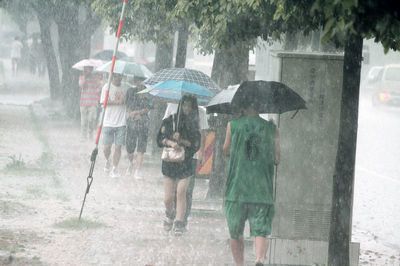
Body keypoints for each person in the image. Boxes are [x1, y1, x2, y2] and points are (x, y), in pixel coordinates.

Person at [222, 104, 280, 266]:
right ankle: (259, 259)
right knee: (261, 229)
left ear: (244, 106)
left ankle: (239, 264)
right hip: (261, 189)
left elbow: (225, 150)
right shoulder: (272, 129)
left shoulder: (233, 125)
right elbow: (277, 159)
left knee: (235, 232)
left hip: (237, 189)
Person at [157, 95, 201, 235]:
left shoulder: (194, 125)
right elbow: (159, 139)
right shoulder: (170, 120)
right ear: (180, 105)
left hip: (186, 163)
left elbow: (195, 145)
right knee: (168, 198)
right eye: (185, 105)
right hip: (169, 162)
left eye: (190, 106)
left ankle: (179, 222)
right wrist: (171, 142)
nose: (187, 108)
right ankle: (170, 214)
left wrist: (181, 141)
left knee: (181, 193)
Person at [163, 102, 209, 229]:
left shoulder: (201, 111)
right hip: (173, 155)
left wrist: (201, 152)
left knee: (186, 190)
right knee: (171, 192)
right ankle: (171, 213)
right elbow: (164, 130)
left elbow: (203, 133)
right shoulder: (172, 107)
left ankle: (181, 220)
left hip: (191, 156)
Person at [100, 73, 128, 178]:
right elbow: (103, 103)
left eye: (120, 76)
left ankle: (115, 169)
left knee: (118, 147)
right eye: (116, 76)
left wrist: (123, 100)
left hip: (121, 122)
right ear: (112, 76)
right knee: (106, 147)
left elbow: (127, 101)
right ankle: (108, 160)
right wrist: (117, 101)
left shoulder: (125, 88)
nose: (119, 78)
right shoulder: (106, 87)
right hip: (108, 122)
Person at [125, 77, 152, 179]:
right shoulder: (130, 91)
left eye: (141, 80)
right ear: (134, 81)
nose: (139, 83)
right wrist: (131, 113)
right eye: (137, 80)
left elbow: (149, 107)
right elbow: (127, 105)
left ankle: (138, 170)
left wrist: (139, 112)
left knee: (141, 148)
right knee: (130, 148)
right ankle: (131, 163)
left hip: (143, 123)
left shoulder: (148, 93)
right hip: (131, 122)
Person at [79, 66, 103, 141]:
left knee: (91, 119)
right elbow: (81, 85)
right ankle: (83, 136)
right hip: (83, 102)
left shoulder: (96, 78)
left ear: (92, 69)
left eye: (89, 68)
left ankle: (90, 134)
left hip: (93, 102)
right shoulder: (82, 77)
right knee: (83, 121)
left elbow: (101, 86)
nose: (87, 70)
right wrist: (85, 77)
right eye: (86, 69)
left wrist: (97, 90)